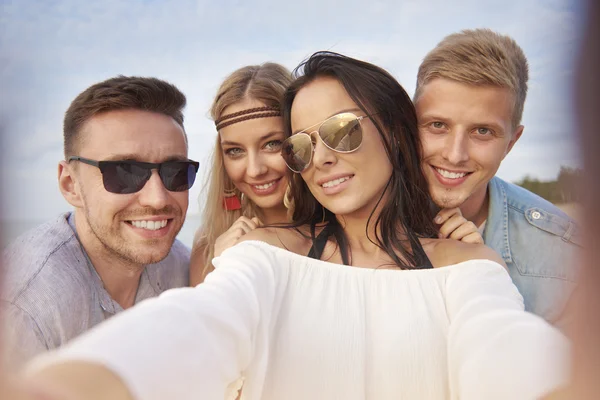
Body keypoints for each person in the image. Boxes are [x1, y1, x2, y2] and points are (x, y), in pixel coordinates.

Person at [19, 52, 569, 400]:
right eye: (303, 145)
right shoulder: (263, 252)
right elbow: (200, 325)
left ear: (396, 134)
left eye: (342, 131)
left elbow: (501, 344)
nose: (321, 157)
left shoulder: (465, 262)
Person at [1, 76, 197, 370]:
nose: (157, 199)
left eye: (175, 171)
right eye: (124, 172)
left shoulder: (181, 268)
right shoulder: (26, 307)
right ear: (70, 185)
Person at [414, 28, 581, 330]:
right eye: (437, 125)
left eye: (482, 131)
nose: (455, 155)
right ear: (410, 124)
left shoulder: (568, 258)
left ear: (511, 143)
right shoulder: (357, 226)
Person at [190, 63, 293, 285]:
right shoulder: (209, 242)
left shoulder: (349, 230)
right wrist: (223, 268)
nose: (255, 170)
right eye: (235, 151)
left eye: (272, 144)